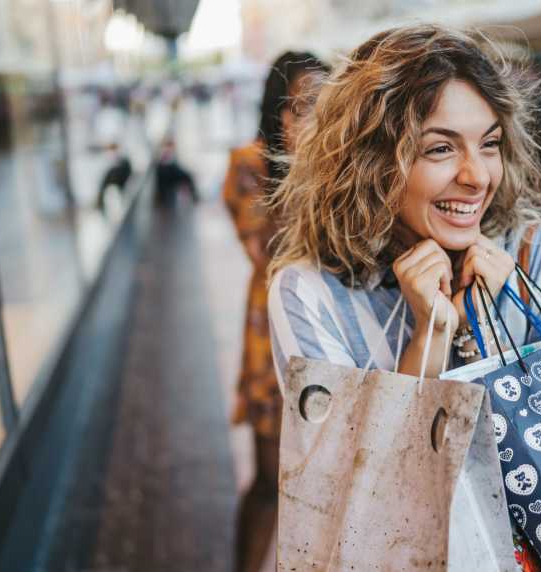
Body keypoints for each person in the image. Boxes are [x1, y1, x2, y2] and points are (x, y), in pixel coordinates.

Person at [266, 22, 541, 551]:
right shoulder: (310, 294)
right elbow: (350, 505)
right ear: (372, 161)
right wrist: (430, 339)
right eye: (441, 149)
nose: (477, 177)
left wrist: (506, 315)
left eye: (488, 144)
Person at [223, 50, 329, 572]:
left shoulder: (339, 167)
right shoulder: (249, 164)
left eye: (324, 104)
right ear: (278, 110)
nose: (316, 117)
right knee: (269, 480)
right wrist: (299, 160)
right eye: (304, 105)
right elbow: (273, 249)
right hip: (270, 335)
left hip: (329, 334)